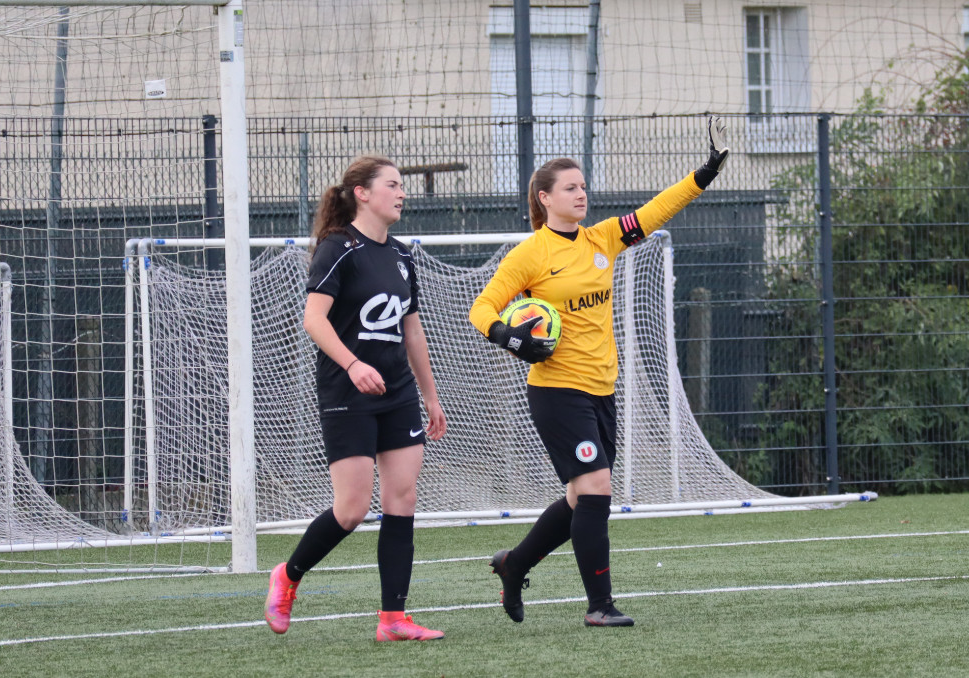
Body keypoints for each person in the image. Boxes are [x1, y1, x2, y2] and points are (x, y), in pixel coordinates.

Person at [469, 116, 730, 627]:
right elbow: (482, 309)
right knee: (596, 490)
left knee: (578, 498)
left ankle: (514, 564)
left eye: (584, 185)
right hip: (556, 391)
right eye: (570, 187)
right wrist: (509, 336)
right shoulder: (529, 255)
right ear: (545, 198)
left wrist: (704, 173)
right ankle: (599, 606)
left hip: (601, 389)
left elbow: (655, 212)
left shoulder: (602, 240)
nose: (581, 193)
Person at [264, 155, 448, 642]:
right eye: (392, 184)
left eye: (402, 185)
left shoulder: (404, 256)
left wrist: (430, 396)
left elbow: (412, 331)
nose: (401, 193)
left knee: (402, 499)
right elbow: (314, 320)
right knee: (351, 508)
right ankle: (288, 575)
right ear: (362, 193)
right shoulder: (338, 248)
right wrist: (353, 363)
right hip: (348, 392)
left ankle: (393, 619)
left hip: (399, 394)